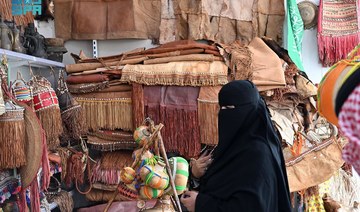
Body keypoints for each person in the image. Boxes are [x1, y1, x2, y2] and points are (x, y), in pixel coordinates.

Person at [180, 80, 292, 212]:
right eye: (222, 108)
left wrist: (201, 204)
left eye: (230, 109)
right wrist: (196, 176)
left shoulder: (258, 154)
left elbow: (252, 207)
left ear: (249, 110)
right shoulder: (235, 147)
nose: (223, 114)